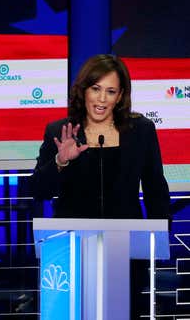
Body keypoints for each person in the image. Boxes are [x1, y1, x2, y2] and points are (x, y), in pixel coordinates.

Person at [31, 54, 169, 219]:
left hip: (125, 238)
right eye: (95, 89)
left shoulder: (140, 130)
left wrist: (161, 238)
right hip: (72, 238)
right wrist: (60, 162)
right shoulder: (60, 131)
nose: (102, 99)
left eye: (110, 91)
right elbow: (38, 191)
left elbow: (156, 192)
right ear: (84, 91)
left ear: (119, 96)